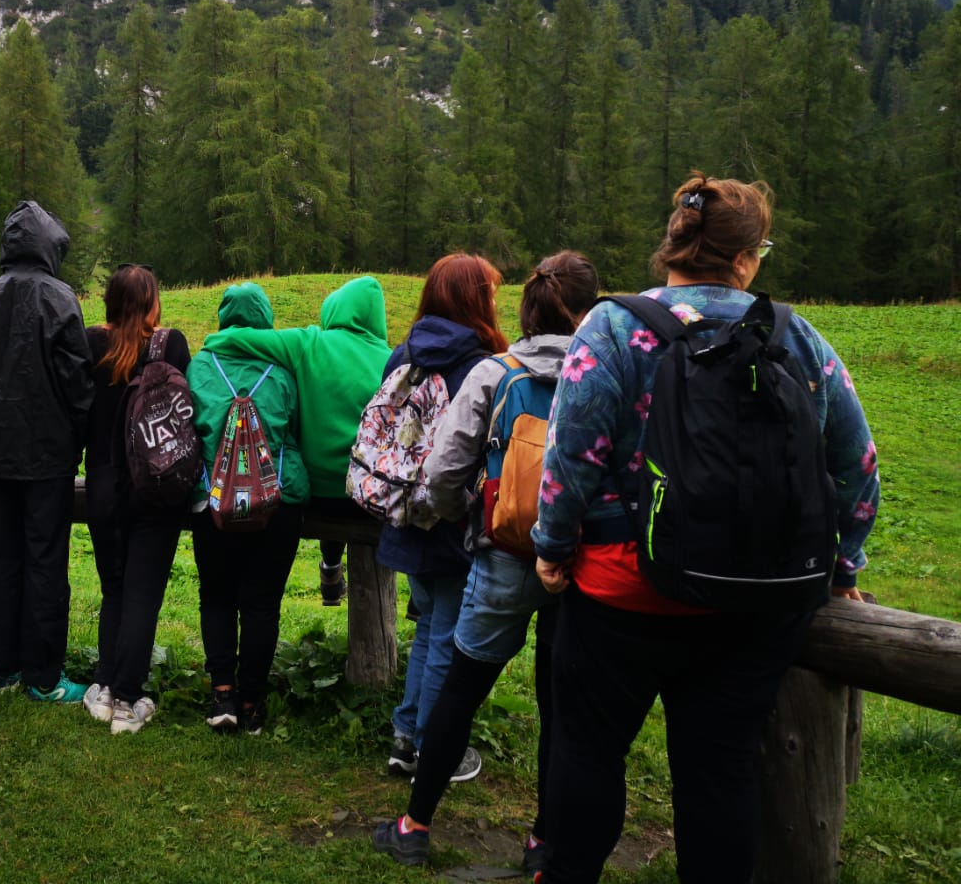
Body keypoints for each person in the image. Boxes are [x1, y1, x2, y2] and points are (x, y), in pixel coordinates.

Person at [532, 175, 880, 884]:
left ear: (673, 248)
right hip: (754, 604)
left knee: (588, 752)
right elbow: (857, 465)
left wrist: (552, 547)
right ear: (746, 259)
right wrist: (843, 569)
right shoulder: (795, 337)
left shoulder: (613, 327)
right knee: (720, 771)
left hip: (622, 590)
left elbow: (572, 456)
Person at [374, 251, 598, 871]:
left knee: (461, 689)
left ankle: (414, 826)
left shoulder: (495, 374)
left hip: (502, 554)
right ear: (588, 310)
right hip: (580, 563)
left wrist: (456, 512)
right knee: (561, 705)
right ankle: (543, 842)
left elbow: (445, 469)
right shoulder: (604, 372)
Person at [373, 254, 504, 788]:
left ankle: (407, 737)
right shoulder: (482, 364)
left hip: (404, 513)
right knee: (446, 633)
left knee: (429, 625)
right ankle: (432, 745)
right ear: (475, 300)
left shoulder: (401, 357)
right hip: (452, 519)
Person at [0, 201, 95, 702]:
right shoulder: (61, 300)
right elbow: (78, 380)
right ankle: (41, 675)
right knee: (44, 562)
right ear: (48, 246)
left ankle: (1, 666)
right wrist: (76, 438)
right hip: (47, 459)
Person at [200, 275, 391, 612]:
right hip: (369, 497)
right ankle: (402, 595)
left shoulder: (311, 344)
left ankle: (331, 565)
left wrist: (215, 339)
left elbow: (247, 338)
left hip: (318, 494)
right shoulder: (390, 359)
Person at [185, 282, 308, 735]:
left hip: (211, 502)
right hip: (278, 504)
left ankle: (223, 696)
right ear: (265, 320)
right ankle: (253, 702)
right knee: (262, 602)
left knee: (216, 596)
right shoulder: (282, 371)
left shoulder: (199, 367)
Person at [80, 264, 192, 733]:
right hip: (157, 485)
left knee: (115, 587)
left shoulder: (90, 343)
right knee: (144, 594)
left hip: (103, 484)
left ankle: (105, 687)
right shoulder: (171, 344)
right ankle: (127, 700)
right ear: (151, 303)